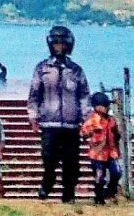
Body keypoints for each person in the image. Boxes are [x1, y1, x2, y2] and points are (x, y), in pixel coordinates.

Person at [27, 25, 91, 203]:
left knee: (71, 162)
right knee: (49, 158)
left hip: (71, 125)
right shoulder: (42, 69)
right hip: (49, 123)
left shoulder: (76, 70)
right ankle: (47, 183)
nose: (59, 46)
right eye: (55, 43)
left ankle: (68, 193)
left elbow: (84, 96)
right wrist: (33, 118)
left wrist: (87, 120)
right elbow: (34, 95)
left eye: (62, 43)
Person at [81, 92, 122, 205]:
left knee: (117, 172)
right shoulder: (93, 120)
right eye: (105, 105)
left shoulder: (111, 120)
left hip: (111, 152)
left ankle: (111, 190)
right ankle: (99, 197)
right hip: (97, 153)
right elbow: (83, 132)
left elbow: (116, 134)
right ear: (97, 107)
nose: (107, 108)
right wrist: (89, 134)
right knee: (99, 176)